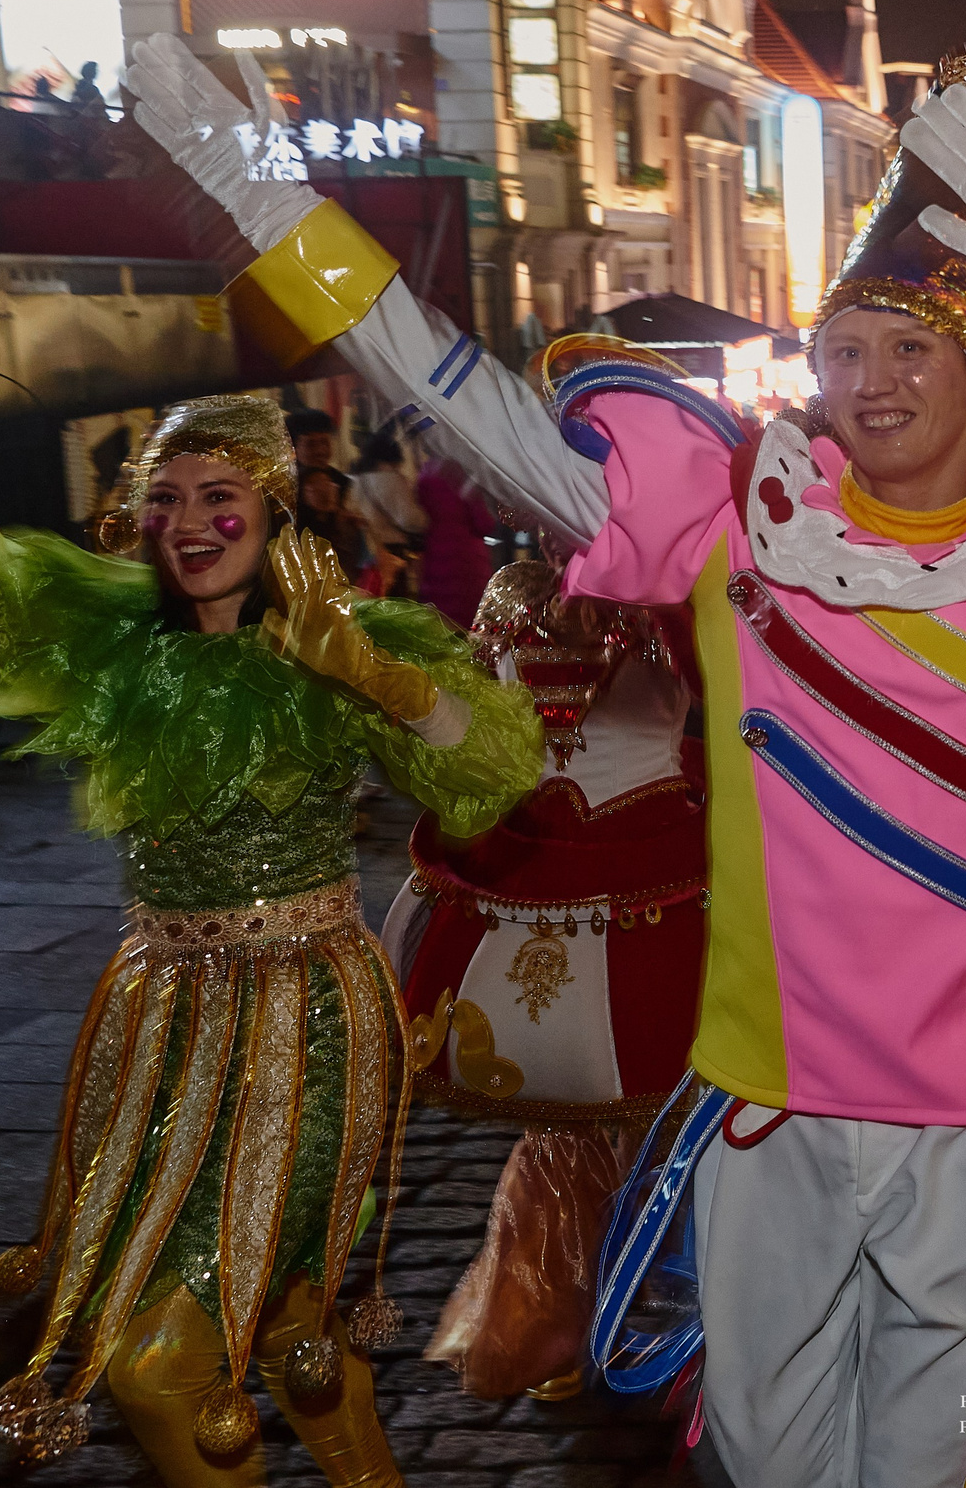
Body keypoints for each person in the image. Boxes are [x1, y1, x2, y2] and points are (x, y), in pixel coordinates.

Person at [128, 35, 966, 1487]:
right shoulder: (740, 534)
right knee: (763, 1452)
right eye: (844, 351)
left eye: (913, 349)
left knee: (930, 1458)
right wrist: (272, 206)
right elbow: (461, 397)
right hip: (770, 1103)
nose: (872, 382)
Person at [0, 289, 540, 1484]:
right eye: (164, 497)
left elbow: (489, 772)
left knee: (159, 1369)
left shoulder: (352, 639)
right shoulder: (108, 636)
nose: (190, 521)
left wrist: (376, 675)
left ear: (275, 506)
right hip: (154, 1024)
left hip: (308, 1017)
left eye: (219, 496)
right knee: (299, 1333)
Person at [381, 562, 706, 1401]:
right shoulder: (522, 591)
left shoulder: (676, 578)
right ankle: (568, 1306)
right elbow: (479, 737)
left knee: (675, 1116)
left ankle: (666, 1315)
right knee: (574, 1110)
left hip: (665, 875)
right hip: (536, 871)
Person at [413, 458, 497, 628]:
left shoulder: (425, 473)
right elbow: (484, 523)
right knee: (469, 619)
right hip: (467, 558)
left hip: (435, 555)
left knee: (439, 619)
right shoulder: (465, 475)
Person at [348, 429, 426, 597]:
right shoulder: (391, 480)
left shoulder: (357, 480)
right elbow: (409, 519)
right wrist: (426, 518)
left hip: (369, 553)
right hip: (393, 556)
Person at [288, 409, 364, 571]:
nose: (321, 451)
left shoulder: (341, 481)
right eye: (311, 444)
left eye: (325, 442)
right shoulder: (283, 485)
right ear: (293, 447)